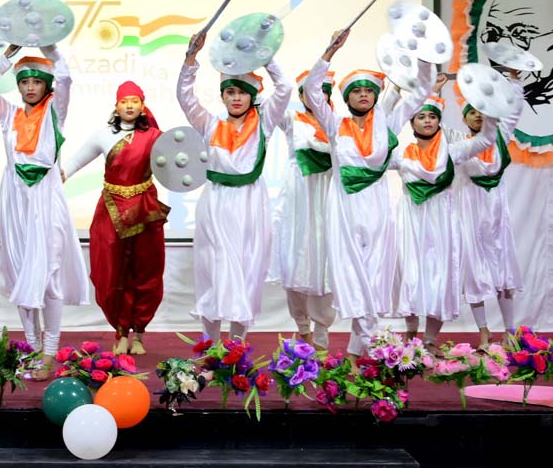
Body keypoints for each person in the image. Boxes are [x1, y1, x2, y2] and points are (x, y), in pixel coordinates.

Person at [304, 29, 431, 357]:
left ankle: (359, 352)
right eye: (356, 91)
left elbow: (418, 95)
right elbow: (312, 90)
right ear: (347, 99)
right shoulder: (334, 125)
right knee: (351, 276)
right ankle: (367, 348)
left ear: (376, 96)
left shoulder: (387, 125)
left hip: (376, 209)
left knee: (374, 277)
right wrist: (329, 51)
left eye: (369, 90)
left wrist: (427, 54)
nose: (363, 95)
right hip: (344, 210)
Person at [0, 45, 90, 380]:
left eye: (36, 82)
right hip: (13, 197)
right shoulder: (8, 113)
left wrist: (49, 47)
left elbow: (66, 77)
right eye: (23, 81)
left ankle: (50, 352)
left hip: (45, 195)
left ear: (45, 85)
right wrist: (7, 55)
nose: (29, 87)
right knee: (21, 273)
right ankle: (29, 350)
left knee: (49, 272)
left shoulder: (56, 111)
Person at [177, 32, 292, 341]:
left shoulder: (264, 122)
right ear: (223, 97)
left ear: (252, 96)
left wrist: (265, 57)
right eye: (230, 93)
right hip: (215, 202)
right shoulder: (210, 124)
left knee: (247, 268)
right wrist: (191, 59)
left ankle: (237, 346)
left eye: (242, 93)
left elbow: (285, 88)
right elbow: (185, 98)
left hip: (250, 202)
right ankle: (210, 345)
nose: (236, 98)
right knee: (213, 269)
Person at [62, 81, 168, 355]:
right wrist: (53, 178)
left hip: (145, 210)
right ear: (116, 105)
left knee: (146, 272)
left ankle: (140, 334)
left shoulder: (156, 137)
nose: (130, 105)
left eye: (135, 101)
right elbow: (74, 163)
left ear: (142, 105)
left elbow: (180, 161)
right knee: (110, 272)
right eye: (124, 101)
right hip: (111, 210)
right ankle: (120, 332)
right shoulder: (102, 135)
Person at [391, 93, 500, 351]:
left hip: (443, 220)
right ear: (411, 123)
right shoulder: (400, 154)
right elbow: (373, 153)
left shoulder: (453, 151)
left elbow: (486, 138)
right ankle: (410, 333)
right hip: (412, 220)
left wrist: (492, 106)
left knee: (439, 277)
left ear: (439, 122)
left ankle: (429, 341)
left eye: (432, 116)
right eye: (421, 117)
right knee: (411, 275)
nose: (427, 121)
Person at [439, 72, 526, 345]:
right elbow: (433, 126)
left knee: (503, 271)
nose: (478, 116)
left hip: (497, 216)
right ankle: (484, 332)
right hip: (470, 213)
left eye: (482, 112)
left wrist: (514, 83)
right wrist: (436, 91)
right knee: (475, 272)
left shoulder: (499, 137)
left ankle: (510, 330)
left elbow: (513, 111)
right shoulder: (457, 141)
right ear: (464, 118)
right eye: (472, 112)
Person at [270, 69, 337, 349]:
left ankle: (321, 335)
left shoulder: (339, 124)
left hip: (327, 196)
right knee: (295, 263)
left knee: (323, 265)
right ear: (301, 95)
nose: (315, 96)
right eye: (308, 91)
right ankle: (302, 329)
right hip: (297, 199)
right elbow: (271, 102)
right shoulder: (290, 120)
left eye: (321, 91)